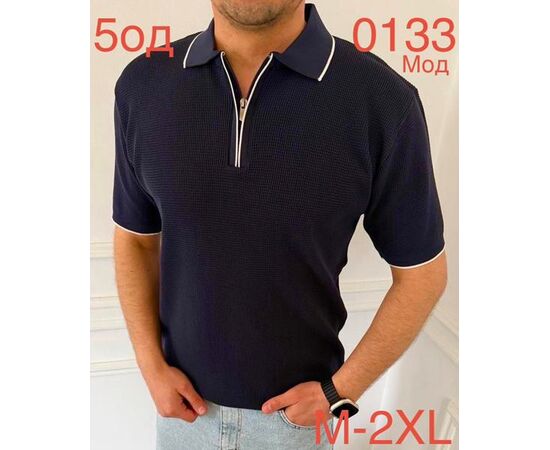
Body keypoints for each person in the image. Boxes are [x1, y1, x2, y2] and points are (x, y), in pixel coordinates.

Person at [112, 1, 447, 448]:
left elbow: (423, 275)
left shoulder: (383, 99)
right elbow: (135, 239)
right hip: (181, 417)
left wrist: (340, 392)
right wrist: (150, 365)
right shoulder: (143, 84)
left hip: (296, 427)